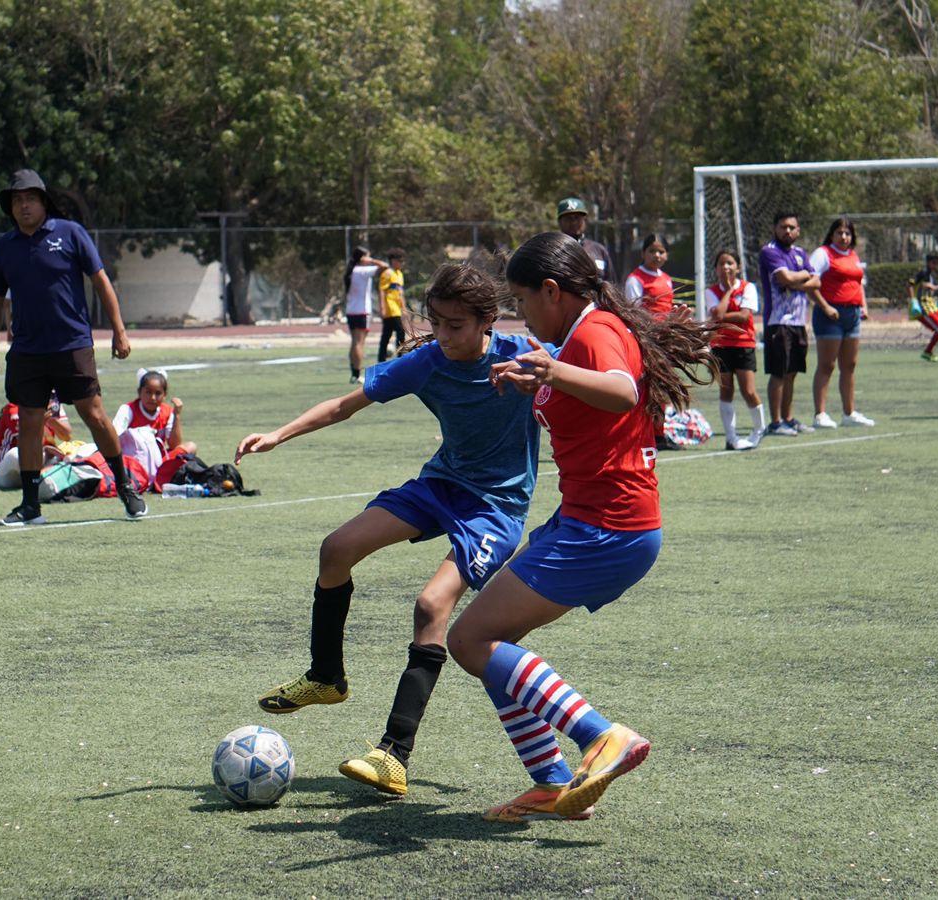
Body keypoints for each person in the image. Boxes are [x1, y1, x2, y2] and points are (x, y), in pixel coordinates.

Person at [237, 259, 544, 799]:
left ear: (487, 321)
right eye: (437, 323)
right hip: (441, 485)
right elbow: (343, 405)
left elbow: (592, 366)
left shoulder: (525, 358)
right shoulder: (427, 362)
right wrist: (277, 434)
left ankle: (394, 754)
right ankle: (326, 676)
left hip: (495, 508)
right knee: (336, 549)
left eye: (456, 326)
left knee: (431, 606)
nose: (444, 336)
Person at [449, 231, 716, 823]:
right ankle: (550, 783)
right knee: (490, 646)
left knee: (468, 641)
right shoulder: (578, 336)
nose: (521, 315)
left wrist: (551, 370)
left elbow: (621, 392)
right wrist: (536, 378)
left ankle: (600, 736)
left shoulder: (593, 332)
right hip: (592, 522)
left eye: (522, 301)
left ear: (552, 291)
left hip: (606, 529)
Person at [0, 168, 146, 525]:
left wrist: (119, 330)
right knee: (29, 421)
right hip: (26, 350)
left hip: (71, 345)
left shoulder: (70, 233)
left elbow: (101, 282)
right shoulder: (4, 248)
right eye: (16, 201)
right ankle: (30, 506)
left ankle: (125, 487)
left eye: (30, 199)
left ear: (43, 202)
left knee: (95, 415)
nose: (23, 206)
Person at [807, 217, 874, 428]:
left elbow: (858, 283)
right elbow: (810, 282)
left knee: (850, 365)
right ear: (832, 234)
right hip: (830, 316)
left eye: (847, 233)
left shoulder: (853, 255)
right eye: (839, 233)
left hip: (852, 316)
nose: (843, 237)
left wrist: (863, 306)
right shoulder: (822, 254)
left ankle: (849, 413)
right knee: (827, 365)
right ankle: (820, 414)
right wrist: (826, 307)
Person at [758, 213, 820, 436]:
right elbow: (785, 278)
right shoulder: (770, 251)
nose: (787, 231)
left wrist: (800, 280)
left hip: (799, 321)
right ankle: (775, 422)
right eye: (783, 227)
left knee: (792, 372)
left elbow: (817, 281)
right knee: (778, 372)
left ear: (798, 230)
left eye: (792, 227)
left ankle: (788, 417)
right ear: (775, 228)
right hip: (778, 322)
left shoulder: (801, 253)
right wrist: (804, 276)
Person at [704, 249, 766, 450]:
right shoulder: (711, 291)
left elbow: (744, 316)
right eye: (721, 264)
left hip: (743, 344)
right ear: (716, 269)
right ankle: (731, 438)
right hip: (720, 346)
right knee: (726, 390)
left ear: (738, 267)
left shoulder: (748, 288)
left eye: (730, 263)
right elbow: (718, 314)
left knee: (748, 391)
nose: (726, 267)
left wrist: (721, 316)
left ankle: (759, 429)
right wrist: (729, 292)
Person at [113, 369, 197, 489]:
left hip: (159, 462)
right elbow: (114, 437)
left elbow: (175, 444)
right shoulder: (128, 409)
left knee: (191, 447)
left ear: (165, 395)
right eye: (148, 392)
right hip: (134, 462)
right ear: (139, 392)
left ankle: (161, 476)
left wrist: (177, 415)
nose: (152, 397)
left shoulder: (167, 411)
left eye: (158, 393)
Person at [0, 397, 73, 490]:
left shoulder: (53, 405)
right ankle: (44, 475)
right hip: (7, 473)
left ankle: (43, 476)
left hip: (39, 459)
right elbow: (28, 445)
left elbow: (66, 437)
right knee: (16, 454)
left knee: (74, 454)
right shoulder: (14, 408)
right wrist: (41, 421)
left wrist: (50, 419)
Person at [343, 246, 388, 383]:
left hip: (351, 311)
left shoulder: (351, 271)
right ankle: (357, 374)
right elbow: (385, 266)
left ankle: (354, 372)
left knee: (354, 342)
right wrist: (372, 260)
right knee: (359, 343)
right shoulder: (362, 270)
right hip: (362, 311)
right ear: (362, 257)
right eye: (367, 256)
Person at [556, 197, 616, 282]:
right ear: (559, 222)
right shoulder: (554, 250)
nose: (573, 222)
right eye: (568, 218)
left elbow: (612, 284)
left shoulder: (599, 250)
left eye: (577, 217)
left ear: (585, 220)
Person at [623, 234, 677, 319]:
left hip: (666, 329)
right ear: (643, 253)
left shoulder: (667, 279)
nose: (656, 255)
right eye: (652, 251)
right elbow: (633, 312)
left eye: (661, 252)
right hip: (647, 330)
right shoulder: (635, 279)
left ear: (667, 255)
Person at [377, 249, 407, 363]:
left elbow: (400, 292)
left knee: (388, 335)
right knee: (399, 332)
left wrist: (403, 307)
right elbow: (382, 291)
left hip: (397, 309)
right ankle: (399, 359)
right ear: (393, 261)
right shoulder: (387, 273)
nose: (402, 263)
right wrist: (382, 308)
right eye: (400, 261)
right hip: (390, 309)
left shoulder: (399, 274)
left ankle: (383, 359)